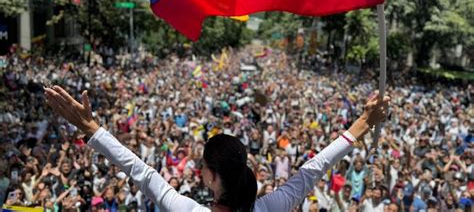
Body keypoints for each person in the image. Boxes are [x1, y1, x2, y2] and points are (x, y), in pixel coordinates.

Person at [44, 85, 389, 212]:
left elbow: (141, 171)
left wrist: (91, 128)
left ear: (209, 177)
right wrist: (362, 123)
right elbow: (311, 172)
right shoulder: (273, 206)